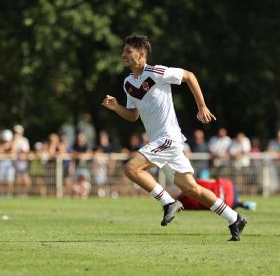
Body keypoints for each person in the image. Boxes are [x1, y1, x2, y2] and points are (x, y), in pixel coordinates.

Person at [102, 35, 246, 241]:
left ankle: (169, 202)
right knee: (192, 189)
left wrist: (202, 106)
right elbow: (133, 115)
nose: (123, 54)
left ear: (141, 55)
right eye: (124, 51)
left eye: (128, 51)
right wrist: (116, 107)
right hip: (160, 142)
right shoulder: (128, 83)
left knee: (130, 168)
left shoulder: (157, 71)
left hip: (168, 138)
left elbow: (189, 75)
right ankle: (234, 218)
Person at [177, 178, 256, 212]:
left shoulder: (185, 203)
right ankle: (242, 203)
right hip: (229, 187)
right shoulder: (196, 182)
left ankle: (241, 203)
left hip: (228, 203)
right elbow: (211, 181)